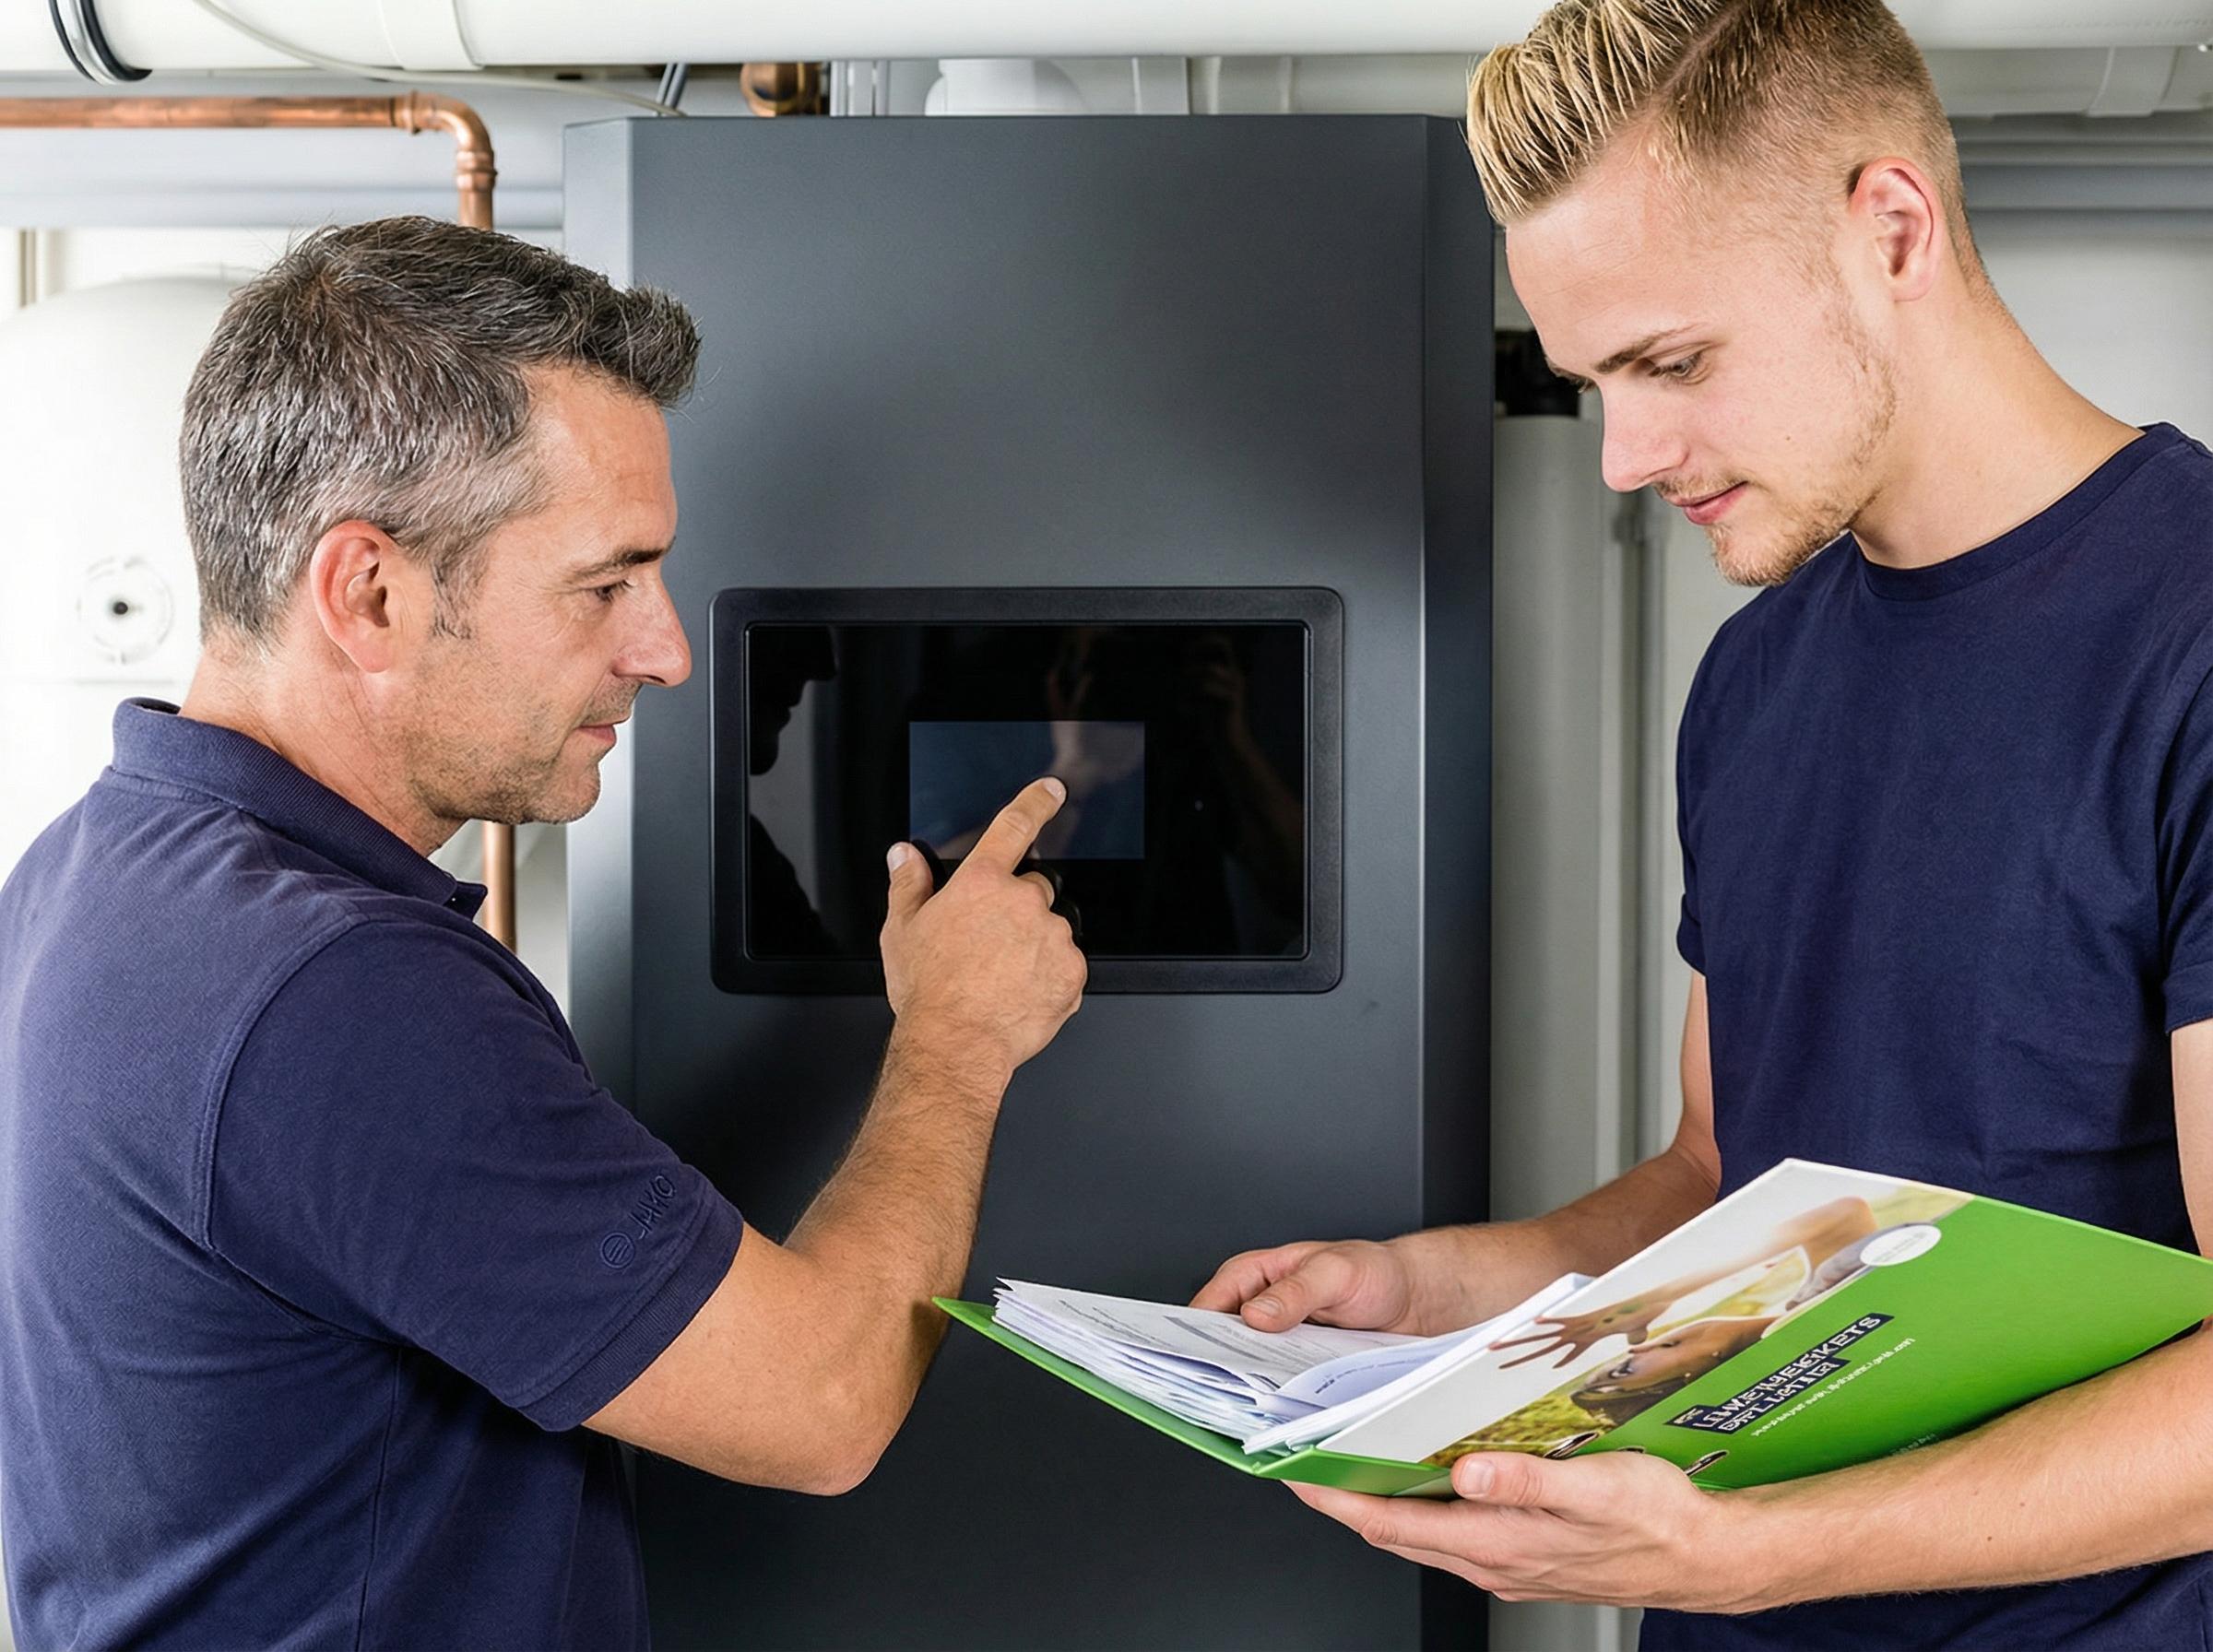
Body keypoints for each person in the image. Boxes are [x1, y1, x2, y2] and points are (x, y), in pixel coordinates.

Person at [1195, 2, 2213, 1645]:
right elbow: (1726, 1177)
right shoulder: (1753, 678)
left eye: (1671, 363)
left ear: (1892, 227)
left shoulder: (2190, 643)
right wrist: (1435, 1296)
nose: (1625, 458)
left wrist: (1763, 1552)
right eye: (1593, 380)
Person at [0, 218, 1086, 1650]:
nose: (667, 649)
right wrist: (956, 1039)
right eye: (605, 583)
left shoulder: (91, 871)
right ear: (370, 592)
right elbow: (823, 1405)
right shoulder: (341, 998)